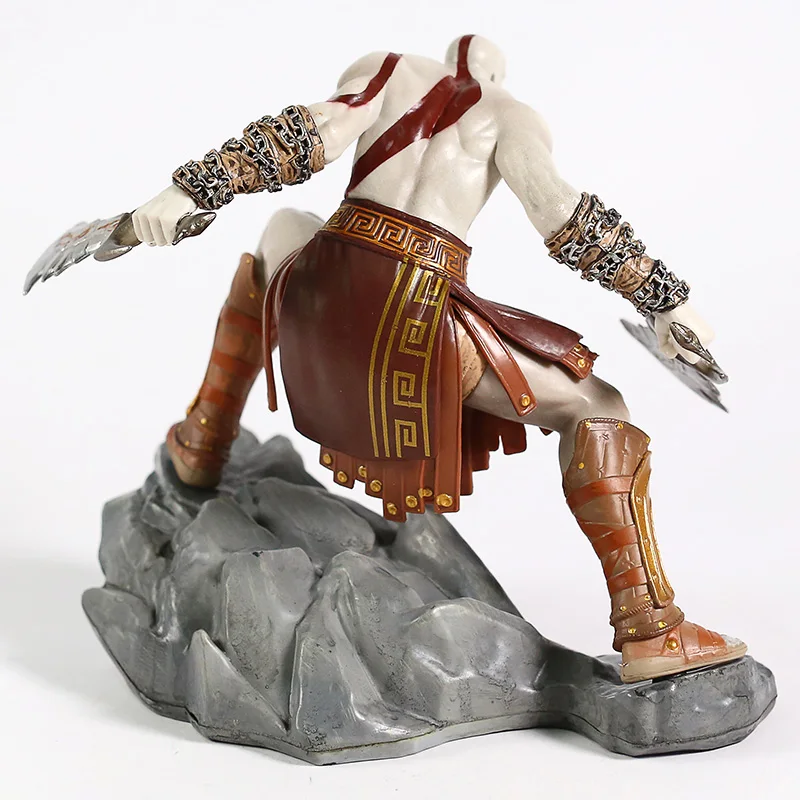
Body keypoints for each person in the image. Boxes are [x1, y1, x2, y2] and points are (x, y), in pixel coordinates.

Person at [131, 35, 745, 683]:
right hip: (416, 316)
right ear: (497, 71)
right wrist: (664, 300)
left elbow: (307, 134)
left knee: (281, 227)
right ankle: (652, 628)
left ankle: (203, 437)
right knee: (599, 406)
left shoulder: (384, 71)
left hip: (319, 293)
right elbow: (560, 213)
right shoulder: (510, 113)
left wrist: (188, 191)